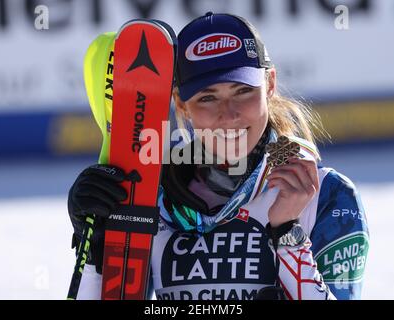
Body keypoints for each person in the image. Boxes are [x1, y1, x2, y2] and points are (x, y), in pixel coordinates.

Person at [68, 12, 369, 300]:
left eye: (243, 91)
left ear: (270, 85)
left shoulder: (326, 194)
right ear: (181, 104)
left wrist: (288, 235)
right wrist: (94, 246)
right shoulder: (154, 197)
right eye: (207, 97)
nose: (229, 114)